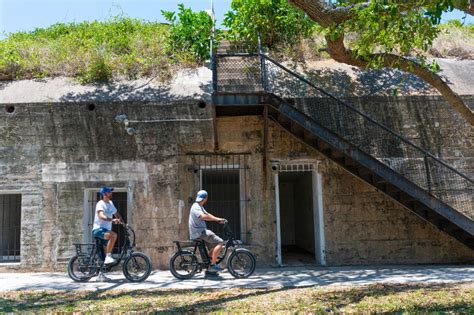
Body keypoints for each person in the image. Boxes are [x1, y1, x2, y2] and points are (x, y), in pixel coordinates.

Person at [188, 190, 226, 273]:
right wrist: (217, 219)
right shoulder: (196, 206)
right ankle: (213, 264)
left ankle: (208, 266)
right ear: (206, 198)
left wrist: (218, 219)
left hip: (199, 231)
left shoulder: (199, 206)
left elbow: (207, 214)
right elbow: (203, 216)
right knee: (220, 242)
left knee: (213, 245)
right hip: (199, 232)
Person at [92, 187, 123, 267]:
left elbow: (116, 214)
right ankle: (108, 257)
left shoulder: (110, 203)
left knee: (105, 258)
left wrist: (123, 222)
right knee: (114, 235)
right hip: (98, 229)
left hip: (106, 230)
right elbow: (101, 216)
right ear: (105, 194)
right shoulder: (100, 203)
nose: (111, 193)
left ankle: (101, 273)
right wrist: (112, 220)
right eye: (109, 192)